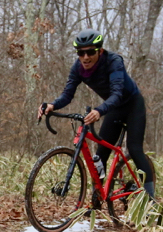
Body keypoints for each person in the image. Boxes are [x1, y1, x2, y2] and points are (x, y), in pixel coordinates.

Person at [38, 29, 156, 200]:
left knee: (135, 149)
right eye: (80, 52)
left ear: (100, 51)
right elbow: (67, 94)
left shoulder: (114, 62)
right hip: (113, 108)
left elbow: (117, 94)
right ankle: (97, 197)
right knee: (100, 156)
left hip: (132, 105)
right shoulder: (78, 68)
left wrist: (99, 110)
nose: (85, 57)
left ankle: (151, 200)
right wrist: (52, 105)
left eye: (90, 52)